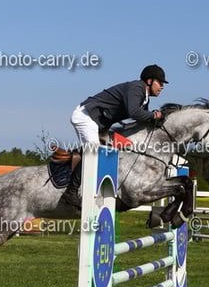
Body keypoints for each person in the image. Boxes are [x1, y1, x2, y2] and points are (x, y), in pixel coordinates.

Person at [61, 64, 168, 208]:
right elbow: (134, 112)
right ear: (149, 81)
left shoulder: (145, 98)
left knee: (122, 147)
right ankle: (70, 191)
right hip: (86, 117)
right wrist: (154, 115)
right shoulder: (136, 88)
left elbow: (141, 120)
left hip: (99, 122)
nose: (162, 86)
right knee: (94, 152)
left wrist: (157, 120)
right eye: (160, 82)